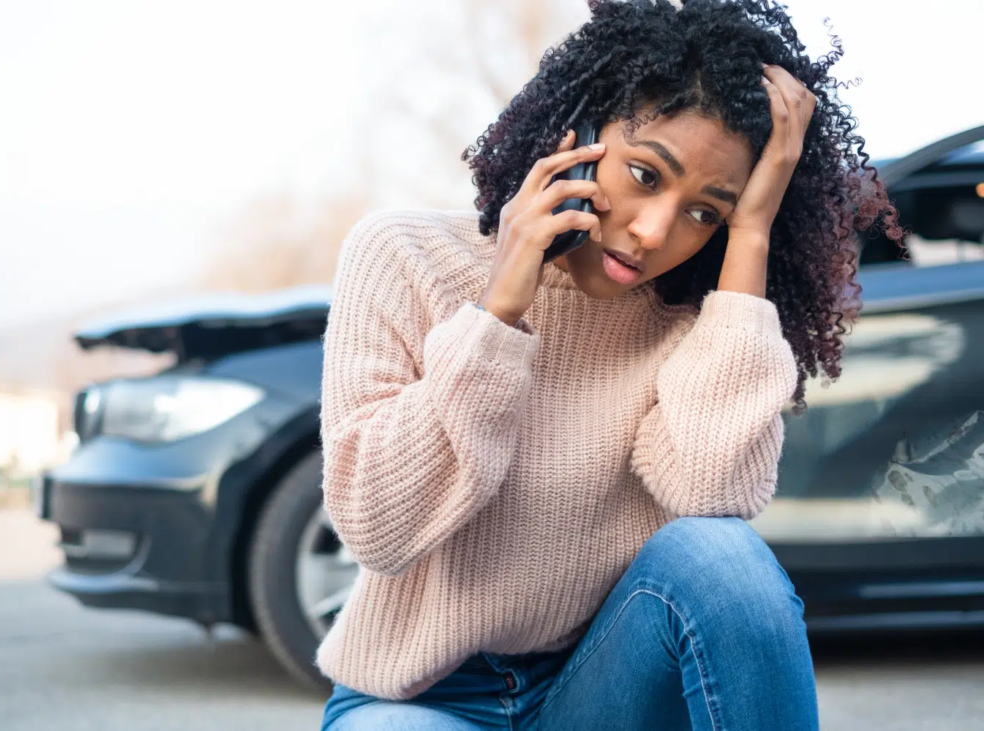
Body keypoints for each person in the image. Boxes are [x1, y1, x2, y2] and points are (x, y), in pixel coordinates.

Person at [316, 0, 902, 728]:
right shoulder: (403, 256)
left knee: (724, 558)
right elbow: (379, 526)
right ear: (579, 131)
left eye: (704, 213)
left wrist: (750, 232)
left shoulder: (699, 321)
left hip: (599, 687)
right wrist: (497, 313)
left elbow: (710, 492)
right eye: (646, 174)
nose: (655, 232)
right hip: (421, 698)